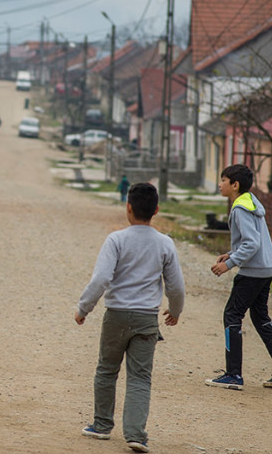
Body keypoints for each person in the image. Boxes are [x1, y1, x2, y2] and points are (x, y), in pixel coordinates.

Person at [75, 182, 185, 453]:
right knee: (140, 378)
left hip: (116, 316)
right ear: (156, 210)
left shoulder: (116, 240)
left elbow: (101, 279)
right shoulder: (164, 243)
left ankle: (101, 426)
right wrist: (175, 310)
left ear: (128, 208)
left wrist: (83, 308)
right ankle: (135, 434)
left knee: (106, 370)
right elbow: (176, 286)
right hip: (147, 319)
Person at [205, 164, 272, 391]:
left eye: (223, 180)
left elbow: (251, 243)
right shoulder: (251, 202)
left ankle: (233, 375)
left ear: (234, 185)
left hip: (253, 272)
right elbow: (252, 240)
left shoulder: (239, 208)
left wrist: (229, 264)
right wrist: (233, 253)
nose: (220, 184)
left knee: (232, 315)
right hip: (267, 267)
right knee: (260, 317)